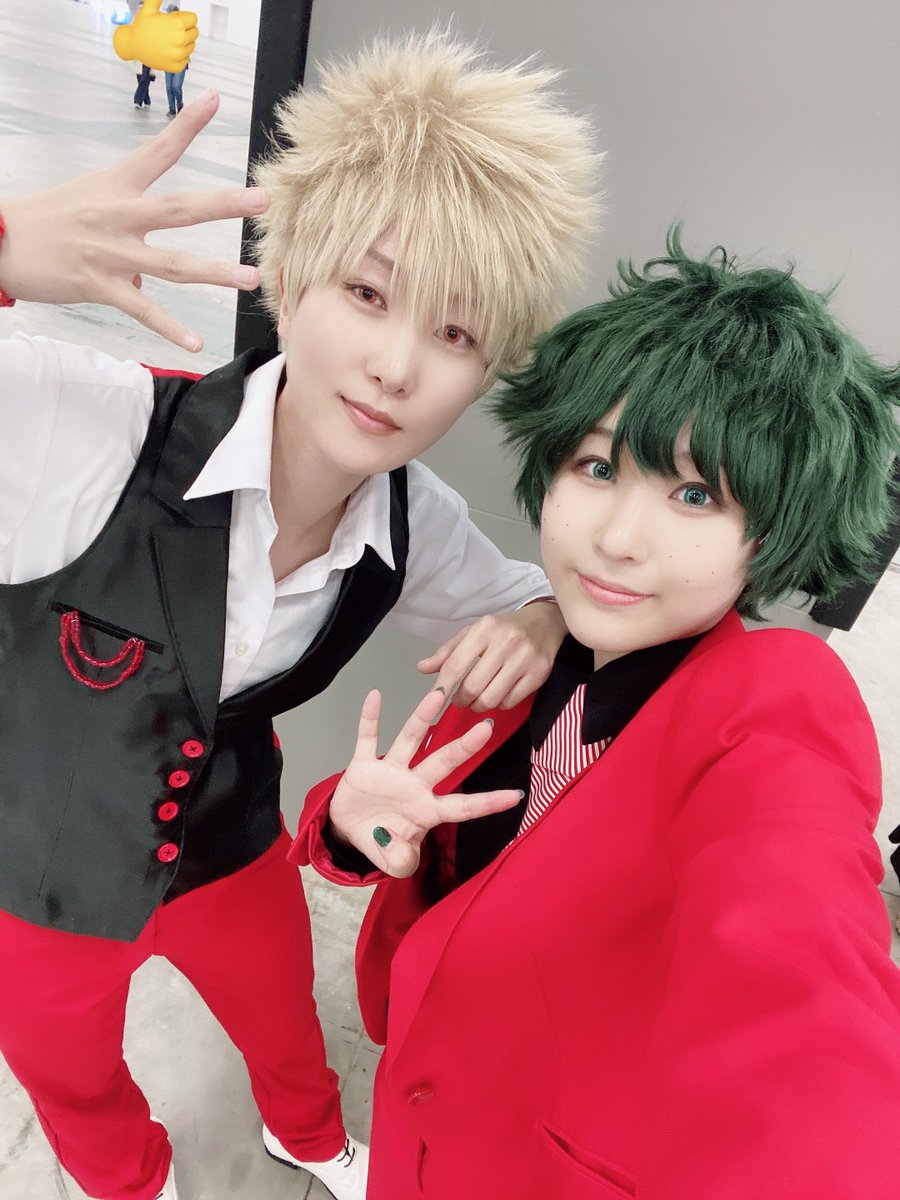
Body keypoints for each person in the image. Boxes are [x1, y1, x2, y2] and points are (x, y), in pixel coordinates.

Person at [0, 33, 599, 1200]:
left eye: (456, 332)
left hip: (230, 855)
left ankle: (311, 1140)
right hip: (34, 876)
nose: (396, 366)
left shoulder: (416, 521)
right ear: (290, 278)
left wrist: (536, 622)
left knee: (287, 1024)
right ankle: (129, 1184)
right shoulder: (90, 431)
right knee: (70, 1080)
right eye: (368, 293)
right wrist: (8, 250)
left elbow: (546, 599)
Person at [294, 232, 900, 1199]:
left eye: (695, 494)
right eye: (597, 468)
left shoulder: (776, 701)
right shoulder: (529, 655)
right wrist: (345, 826)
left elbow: (802, 993)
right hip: (418, 1109)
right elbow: (414, 832)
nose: (617, 539)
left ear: (769, 537)